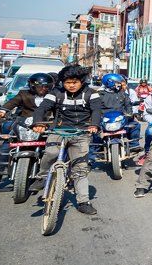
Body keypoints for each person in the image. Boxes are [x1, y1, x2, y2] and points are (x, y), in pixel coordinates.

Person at [31, 65, 102, 215]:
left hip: (81, 132)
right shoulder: (55, 93)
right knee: (51, 153)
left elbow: (96, 111)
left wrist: (94, 125)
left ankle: (83, 202)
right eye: (67, 82)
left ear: (82, 81)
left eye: (74, 82)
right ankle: (42, 177)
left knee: (80, 169)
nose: (71, 85)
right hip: (58, 130)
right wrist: (37, 123)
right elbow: (42, 108)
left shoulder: (92, 93)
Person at [0, 73, 54, 194]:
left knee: (55, 149)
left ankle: (57, 180)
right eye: (40, 86)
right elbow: (12, 102)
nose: (43, 89)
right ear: (32, 86)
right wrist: (2, 111)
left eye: (46, 86)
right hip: (23, 125)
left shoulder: (54, 96)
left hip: (45, 127)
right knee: (4, 150)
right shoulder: (23, 94)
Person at [92, 73, 141, 161]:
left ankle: (134, 145)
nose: (120, 84)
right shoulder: (99, 95)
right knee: (95, 131)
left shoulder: (123, 94)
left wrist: (130, 114)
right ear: (109, 82)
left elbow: (128, 106)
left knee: (136, 125)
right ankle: (95, 151)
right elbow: (95, 108)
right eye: (118, 82)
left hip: (121, 119)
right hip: (105, 121)